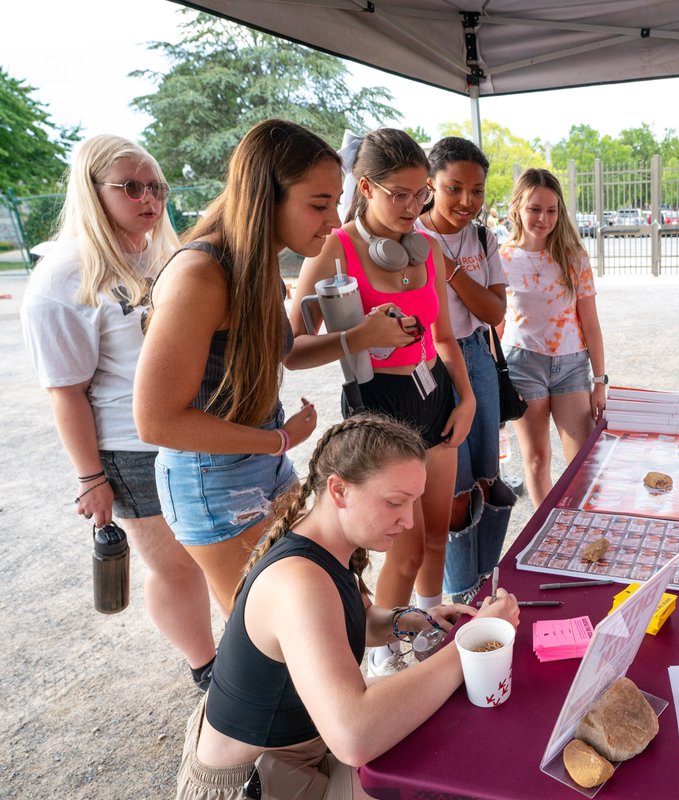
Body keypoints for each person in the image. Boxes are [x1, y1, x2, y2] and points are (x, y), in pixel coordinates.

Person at [174, 413, 520, 799]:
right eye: (394, 503)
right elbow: (354, 735)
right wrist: (470, 646)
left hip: (300, 750)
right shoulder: (299, 582)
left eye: (413, 504)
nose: (408, 521)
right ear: (339, 491)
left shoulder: (327, 543)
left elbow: (362, 620)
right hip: (259, 781)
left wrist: (418, 620)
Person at [20, 135, 217, 690]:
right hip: (131, 448)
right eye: (130, 187)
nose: (148, 198)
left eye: (155, 186)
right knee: (177, 568)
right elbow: (66, 391)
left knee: (212, 556)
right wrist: (91, 477)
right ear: (91, 191)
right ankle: (207, 668)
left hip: (196, 430)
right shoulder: (62, 280)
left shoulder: (161, 251)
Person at [286, 128, 476, 675]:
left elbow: (443, 338)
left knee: (437, 535)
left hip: (434, 394)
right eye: (400, 195)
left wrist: (466, 401)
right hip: (379, 406)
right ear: (365, 187)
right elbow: (291, 351)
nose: (414, 208)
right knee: (403, 546)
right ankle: (382, 655)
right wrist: (359, 337)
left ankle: (428, 629)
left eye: (421, 196)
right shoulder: (335, 249)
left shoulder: (430, 248)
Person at [134, 119, 334, 614]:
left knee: (311, 607)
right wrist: (278, 440)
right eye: (319, 204)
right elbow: (156, 421)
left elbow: (277, 352)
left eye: (336, 202)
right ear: (267, 196)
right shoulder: (201, 274)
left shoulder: (261, 259)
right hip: (213, 476)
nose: (334, 220)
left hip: (262, 460)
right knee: (264, 638)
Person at [414, 137, 516, 604]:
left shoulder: (482, 238)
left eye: (477, 191)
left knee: (485, 477)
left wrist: (452, 270)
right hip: (434, 361)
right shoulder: (412, 237)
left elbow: (495, 311)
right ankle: (458, 596)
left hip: (478, 353)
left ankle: (482, 582)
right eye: (455, 188)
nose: (467, 202)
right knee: (452, 489)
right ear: (431, 184)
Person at [500, 169, 607, 507]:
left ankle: (581, 527)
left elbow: (590, 322)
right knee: (536, 460)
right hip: (522, 364)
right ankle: (546, 531)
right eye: (535, 208)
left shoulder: (573, 257)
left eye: (551, 210)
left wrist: (600, 380)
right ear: (518, 207)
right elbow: (495, 323)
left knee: (584, 462)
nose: (543, 218)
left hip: (572, 365)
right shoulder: (501, 258)